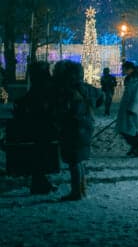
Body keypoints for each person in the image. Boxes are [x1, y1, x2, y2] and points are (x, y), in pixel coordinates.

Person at [53, 60, 102, 202]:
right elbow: (101, 97)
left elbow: (64, 110)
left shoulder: (67, 91)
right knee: (78, 160)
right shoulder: (85, 88)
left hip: (73, 128)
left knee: (74, 161)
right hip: (86, 126)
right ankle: (82, 189)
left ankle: (77, 192)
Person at [7, 61, 58, 194]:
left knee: (40, 153)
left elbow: (34, 99)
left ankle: (39, 181)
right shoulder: (45, 83)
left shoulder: (43, 84)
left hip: (41, 124)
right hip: (43, 125)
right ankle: (40, 182)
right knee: (41, 153)